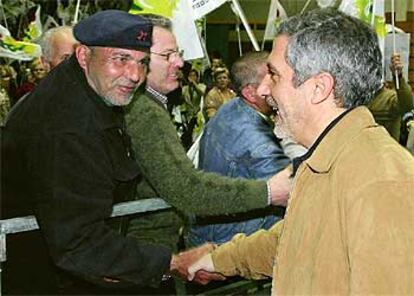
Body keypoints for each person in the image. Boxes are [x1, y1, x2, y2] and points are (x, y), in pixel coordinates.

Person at [185, 8, 414, 294]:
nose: (264, 90)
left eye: (274, 75)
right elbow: (297, 239)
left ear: (319, 88)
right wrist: (220, 259)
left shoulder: (383, 186)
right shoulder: (326, 157)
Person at [1, 10, 170, 295]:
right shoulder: (67, 124)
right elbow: (78, 241)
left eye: (142, 62)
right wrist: (169, 262)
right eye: (121, 59)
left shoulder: (90, 92)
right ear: (82, 56)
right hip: (54, 280)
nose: (135, 75)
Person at [125, 16, 290, 252]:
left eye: (178, 53)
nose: (180, 62)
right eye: (167, 55)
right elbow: (186, 188)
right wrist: (269, 192)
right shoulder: (144, 111)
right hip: (154, 250)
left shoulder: (230, 107)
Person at [187, 51, 290, 247]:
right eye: (274, 80)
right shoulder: (257, 141)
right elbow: (293, 192)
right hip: (229, 246)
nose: (283, 88)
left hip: (205, 233)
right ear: (250, 93)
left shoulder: (231, 107)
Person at [367, 53, 414, 142]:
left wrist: (399, 77)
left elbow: (407, 105)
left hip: (386, 151)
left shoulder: (389, 98)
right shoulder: (356, 99)